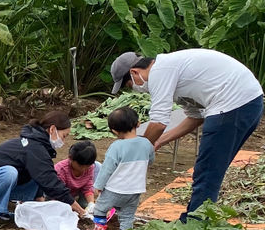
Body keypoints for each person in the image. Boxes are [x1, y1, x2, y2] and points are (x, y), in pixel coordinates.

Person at [110, 49, 264, 221]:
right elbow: (195, 117)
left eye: (130, 85)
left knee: (207, 170)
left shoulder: (160, 71)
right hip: (248, 102)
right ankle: (196, 220)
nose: (135, 90)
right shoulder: (172, 74)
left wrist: (138, 148)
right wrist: (158, 142)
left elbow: (159, 121)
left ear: (134, 72)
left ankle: (194, 225)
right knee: (211, 168)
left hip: (233, 103)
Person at [0, 110, 85, 230]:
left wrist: (42, 207)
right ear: (52, 129)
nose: (64, 141)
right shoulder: (33, 147)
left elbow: (42, 175)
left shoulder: (37, 146)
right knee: (9, 172)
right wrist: (73, 204)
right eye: (64, 136)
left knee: (34, 172)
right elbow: (49, 181)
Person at [87, 106, 154, 230]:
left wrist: (98, 185)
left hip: (115, 189)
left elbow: (107, 168)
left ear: (114, 131)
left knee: (100, 209)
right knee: (127, 216)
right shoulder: (147, 143)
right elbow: (150, 160)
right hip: (135, 190)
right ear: (138, 123)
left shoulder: (117, 146)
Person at [54, 140, 97, 208]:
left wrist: (91, 203)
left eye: (87, 166)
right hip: (59, 196)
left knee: (86, 205)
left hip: (75, 194)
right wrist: (79, 210)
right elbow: (60, 194)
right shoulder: (60, 170)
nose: (84, 169)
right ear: (70, 158)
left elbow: (88, 187)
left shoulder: (90, 167)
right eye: (80, 166)